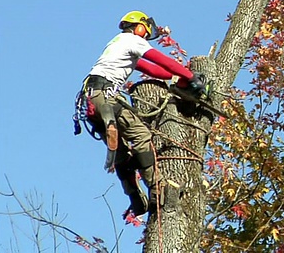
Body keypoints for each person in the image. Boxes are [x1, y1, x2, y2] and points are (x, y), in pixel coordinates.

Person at [79, 11, 206, 216]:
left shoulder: (117, 45)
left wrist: (177, 75)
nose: (146, 36)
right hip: (106, 96)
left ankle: (135, 198)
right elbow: (160, 59)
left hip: (92, 100)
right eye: (146, 31)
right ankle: (159, 188)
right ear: (139, 26)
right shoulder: (132, 39)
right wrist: (190, 77)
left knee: (121, 152)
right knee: (141, 135)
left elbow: (154, 70)